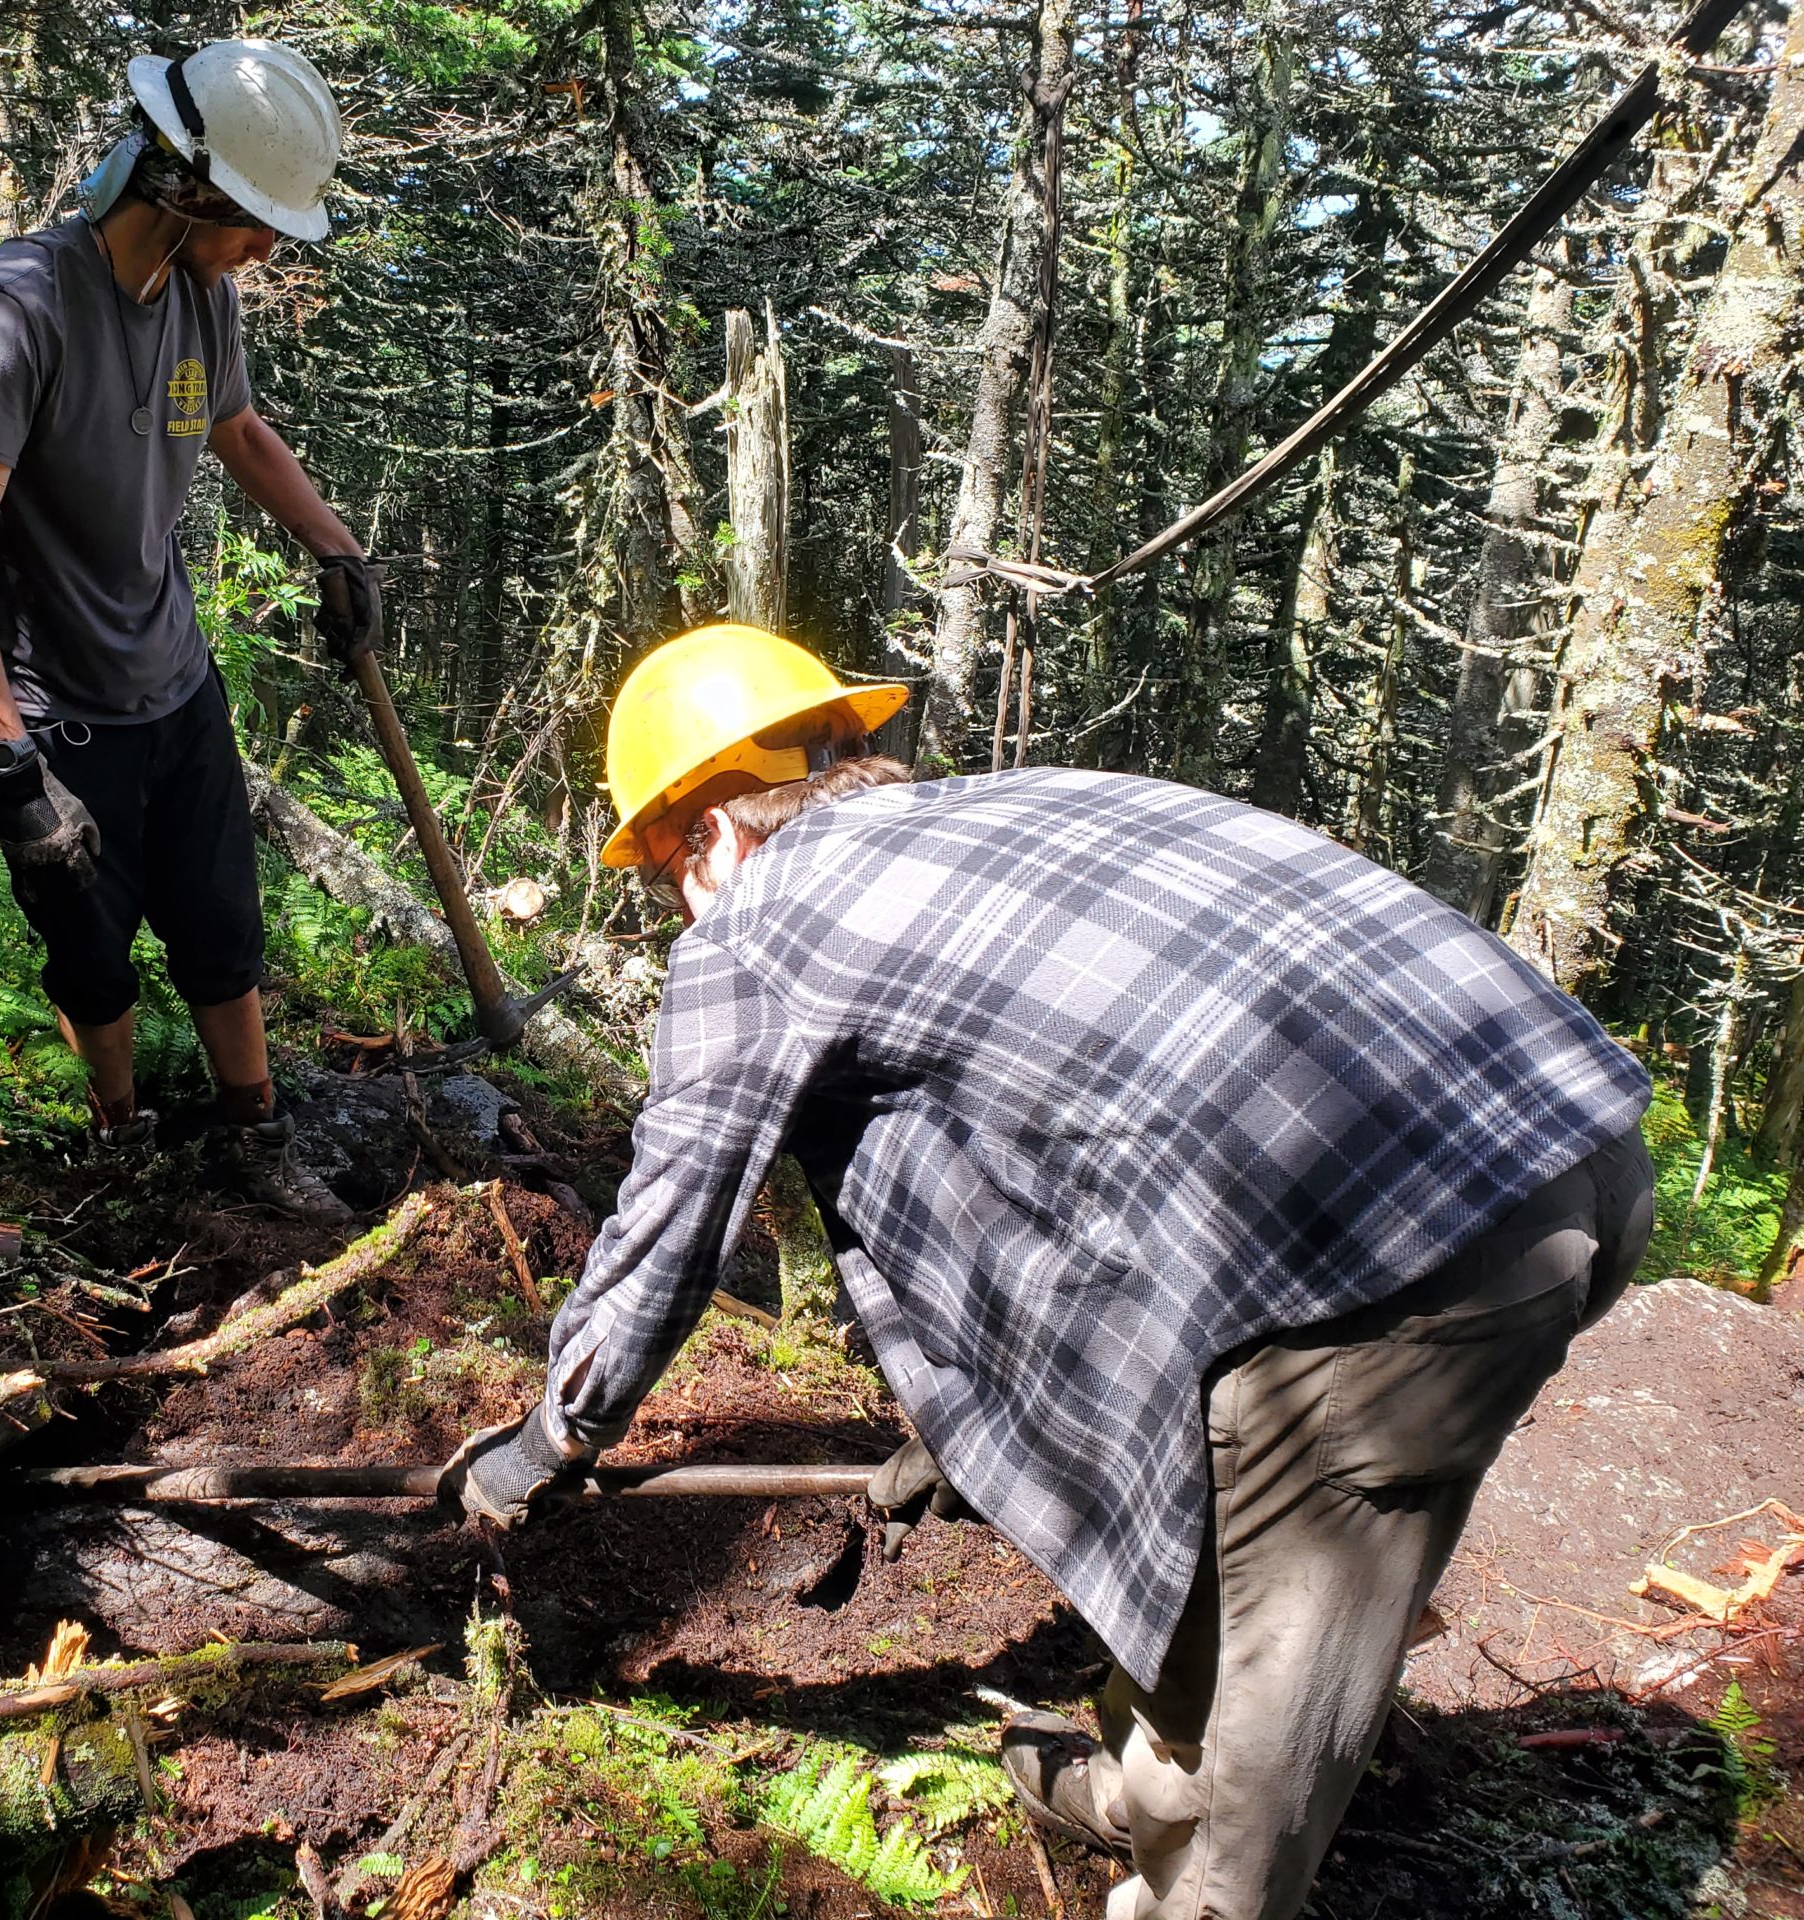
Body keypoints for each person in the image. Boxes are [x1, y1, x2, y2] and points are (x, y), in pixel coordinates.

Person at [442, 622, 1655, 1920]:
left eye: (668, 871)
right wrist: (967, 1423)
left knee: (1280, 1616)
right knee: (1237, 1498)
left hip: (1388, 1251)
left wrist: (541, 1447)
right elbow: (1044, 1182)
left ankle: (1203, 1875)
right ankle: (1142, 1782)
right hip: (1574, 1135)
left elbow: (667, 1241)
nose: (679, 906)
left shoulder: (756, 929)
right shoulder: (1016, 811)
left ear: (713, 836)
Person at [0, 37, 379, 1222]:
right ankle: (118, 1132)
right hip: (49, 711)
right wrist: (11, 765)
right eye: (253, 220)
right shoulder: (23, 306)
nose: (268, 250)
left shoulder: (200, 298)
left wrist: (338, 548)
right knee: (91, 955)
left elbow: (242, 431)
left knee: (223, 925)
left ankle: (252, 1136)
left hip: (173, 681)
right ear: (179, 187)